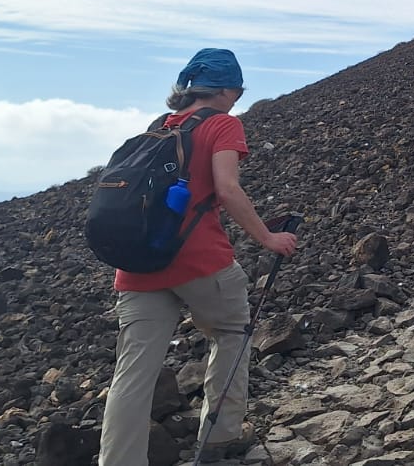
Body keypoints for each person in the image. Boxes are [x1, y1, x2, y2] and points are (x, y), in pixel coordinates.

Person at [99, 48, 299, 466]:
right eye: (238, 91)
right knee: (231, 332)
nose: (237, 99)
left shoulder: (159, 128)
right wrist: (268, 238)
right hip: (199, 261)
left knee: (132, 374)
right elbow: (227, 189)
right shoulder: (223, 125)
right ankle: (219, 438)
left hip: (137, 267)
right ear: (226, 89)